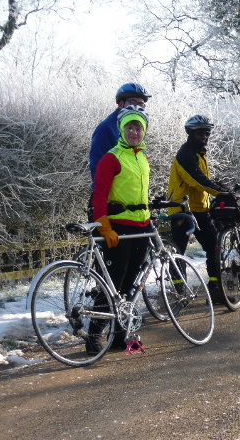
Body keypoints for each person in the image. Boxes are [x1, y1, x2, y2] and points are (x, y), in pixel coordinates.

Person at [87, 105, 152, 355]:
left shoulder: (142, 157)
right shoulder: (111, 157)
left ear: (143, 131)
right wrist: (104, 225)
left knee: (127, 284)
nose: (134, 131)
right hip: (119, 227)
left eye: (138, 128)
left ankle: (117, 334)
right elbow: (100, 193)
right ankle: (94, 333)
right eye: (129, 127)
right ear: (121, 130)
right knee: (112, 284)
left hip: (141, 227)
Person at [167, 115, 228, 303]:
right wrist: (221, 193)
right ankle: (179, 291)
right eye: (200, 132)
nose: (204, 136)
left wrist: (225, 189)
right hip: (181, 211)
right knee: (179, 253)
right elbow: (196, 180)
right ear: (190, 133)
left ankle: (216, 287)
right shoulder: (185, 154)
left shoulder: (200, 154)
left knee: (214, 248)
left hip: (200, 210)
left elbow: (205, 179)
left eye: (207, 132)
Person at [88, 83, 152, 184]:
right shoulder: (106, 128)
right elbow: (97, 165)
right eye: (133, 102)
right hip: (112, 195)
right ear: (121, 103)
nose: (137, 107)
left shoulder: (138, 127)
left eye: (141, 104)